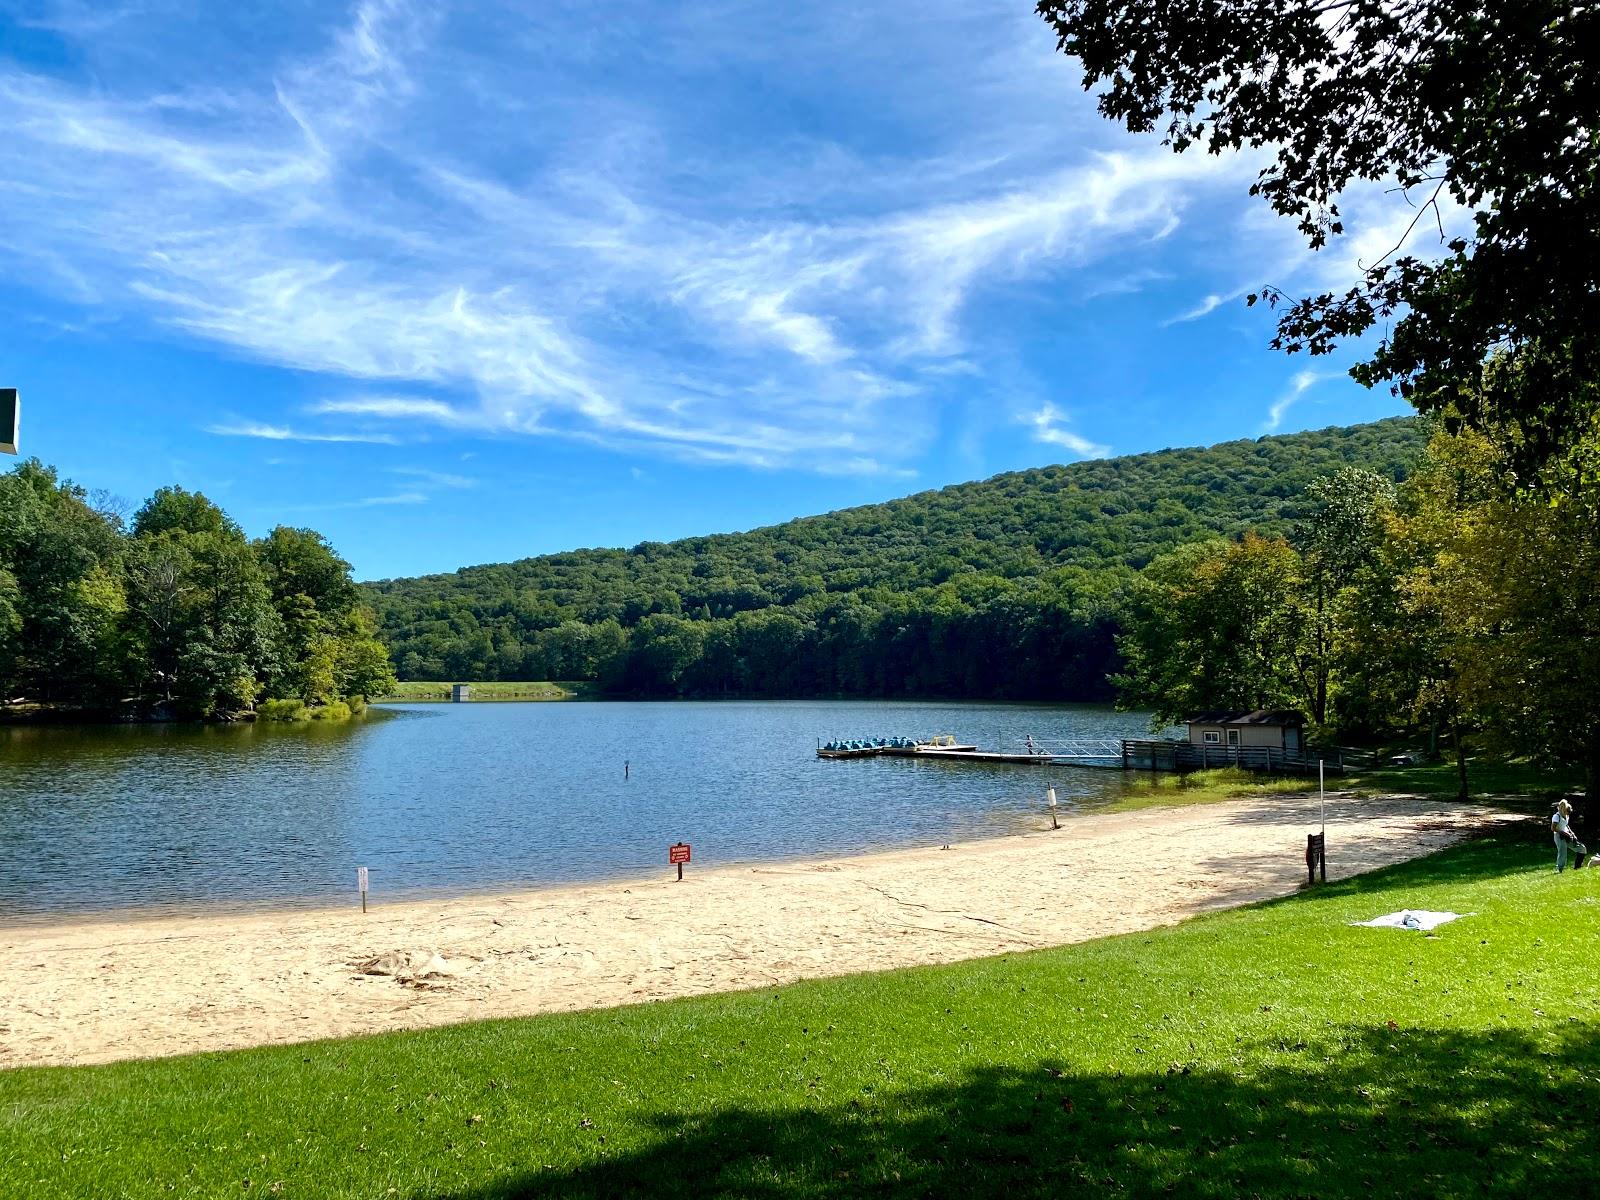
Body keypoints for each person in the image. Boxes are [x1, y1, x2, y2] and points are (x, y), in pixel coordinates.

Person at [1552, 798, 1586, 872]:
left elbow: (1566, 825)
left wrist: (1572, 834)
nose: (1568, 814)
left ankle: (1577, 867)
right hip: (1559, 836)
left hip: (1567, 835)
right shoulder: (1556, 816)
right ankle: (1559, 869)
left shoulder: (1566, 816)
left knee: (1582, 848)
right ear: (1564, 810)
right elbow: (1553, 828)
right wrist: (1563, 833)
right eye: (1567, 812)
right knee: (1562, 853)